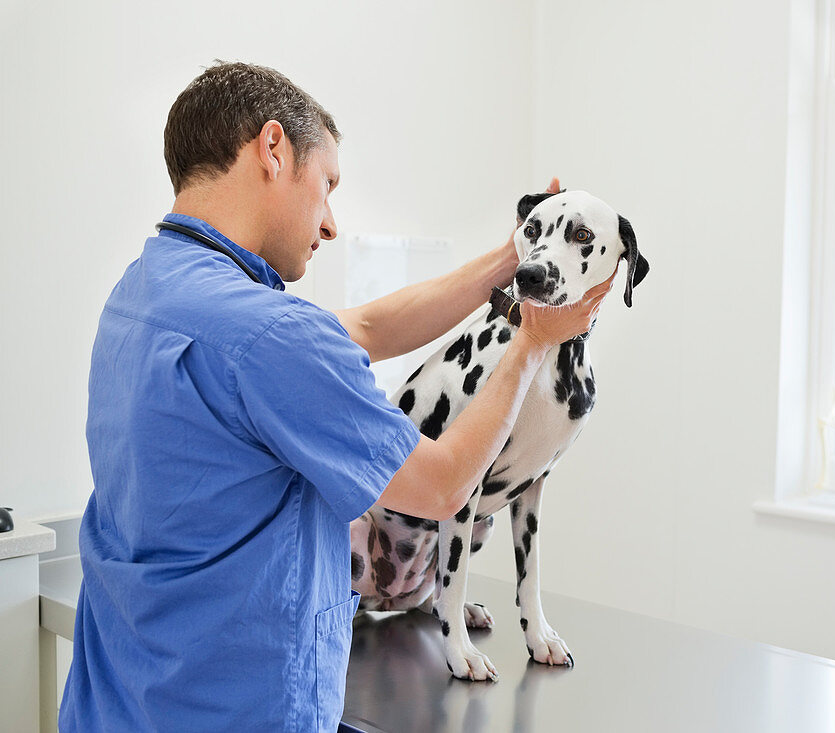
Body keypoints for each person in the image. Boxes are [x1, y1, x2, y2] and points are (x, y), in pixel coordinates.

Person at [59, 61, 613, 732]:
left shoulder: (143, 292)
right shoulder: (272, 335)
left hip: (120, 701)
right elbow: (441, 488)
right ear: (272, 149)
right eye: (326, 185)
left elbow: (370, 328)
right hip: (235, 710)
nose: (330, 224)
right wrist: (534, 339)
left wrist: (508, 260)